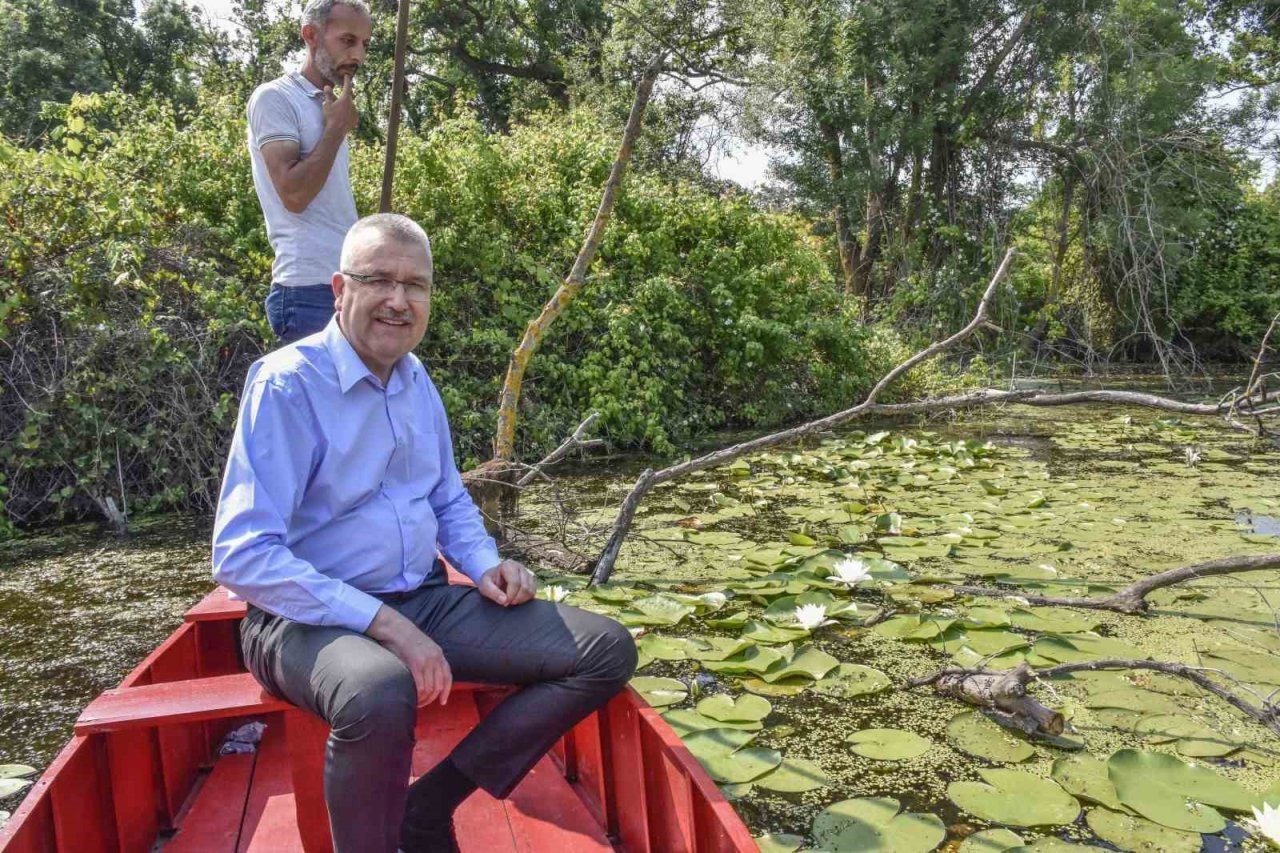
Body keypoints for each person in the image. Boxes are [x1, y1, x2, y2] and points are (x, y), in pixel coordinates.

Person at [211, 213, 637, 853]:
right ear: (338, 289)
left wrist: (485, 561)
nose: (398, 300)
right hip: (301, 621)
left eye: (416, 285)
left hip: (421, 597)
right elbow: (242, 555)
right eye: (379, 280)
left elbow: (444, 497)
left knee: (604, 650)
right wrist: (384, 625)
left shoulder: (415, 381)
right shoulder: (287, 383)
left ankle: (427, 807)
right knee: (379, 690)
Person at [247, 0, 370, 343]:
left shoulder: (329, 104)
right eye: (348, 40)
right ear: (311, 35)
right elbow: (294, 194)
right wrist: (335, 131)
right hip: (306, 291)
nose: (358, 55)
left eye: (365, 44)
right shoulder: (275, 98)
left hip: (346, 284)